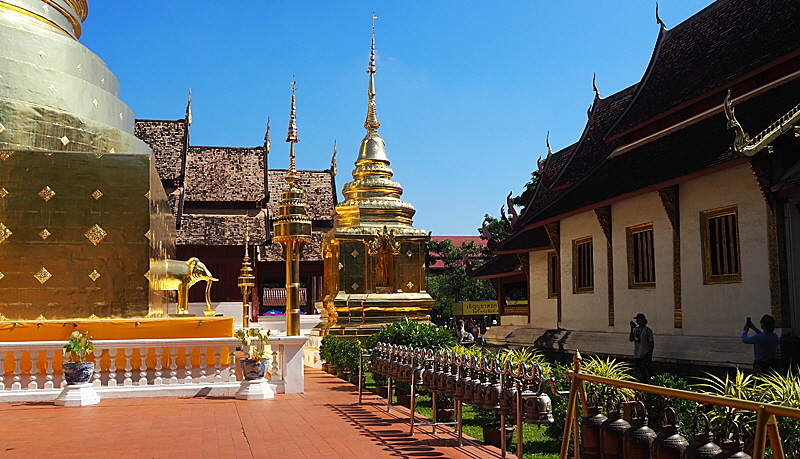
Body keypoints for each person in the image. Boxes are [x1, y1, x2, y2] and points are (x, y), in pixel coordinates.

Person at [629, 312, 654, 383]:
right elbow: (631, 339)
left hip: (645, 353)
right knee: (639, 370)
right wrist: (631, 329)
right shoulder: (636, 330)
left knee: (646, 370)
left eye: (638, 319)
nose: (636, 321)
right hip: (637, 354)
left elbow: (651, 343)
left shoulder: (647, 331)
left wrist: (650, 354)